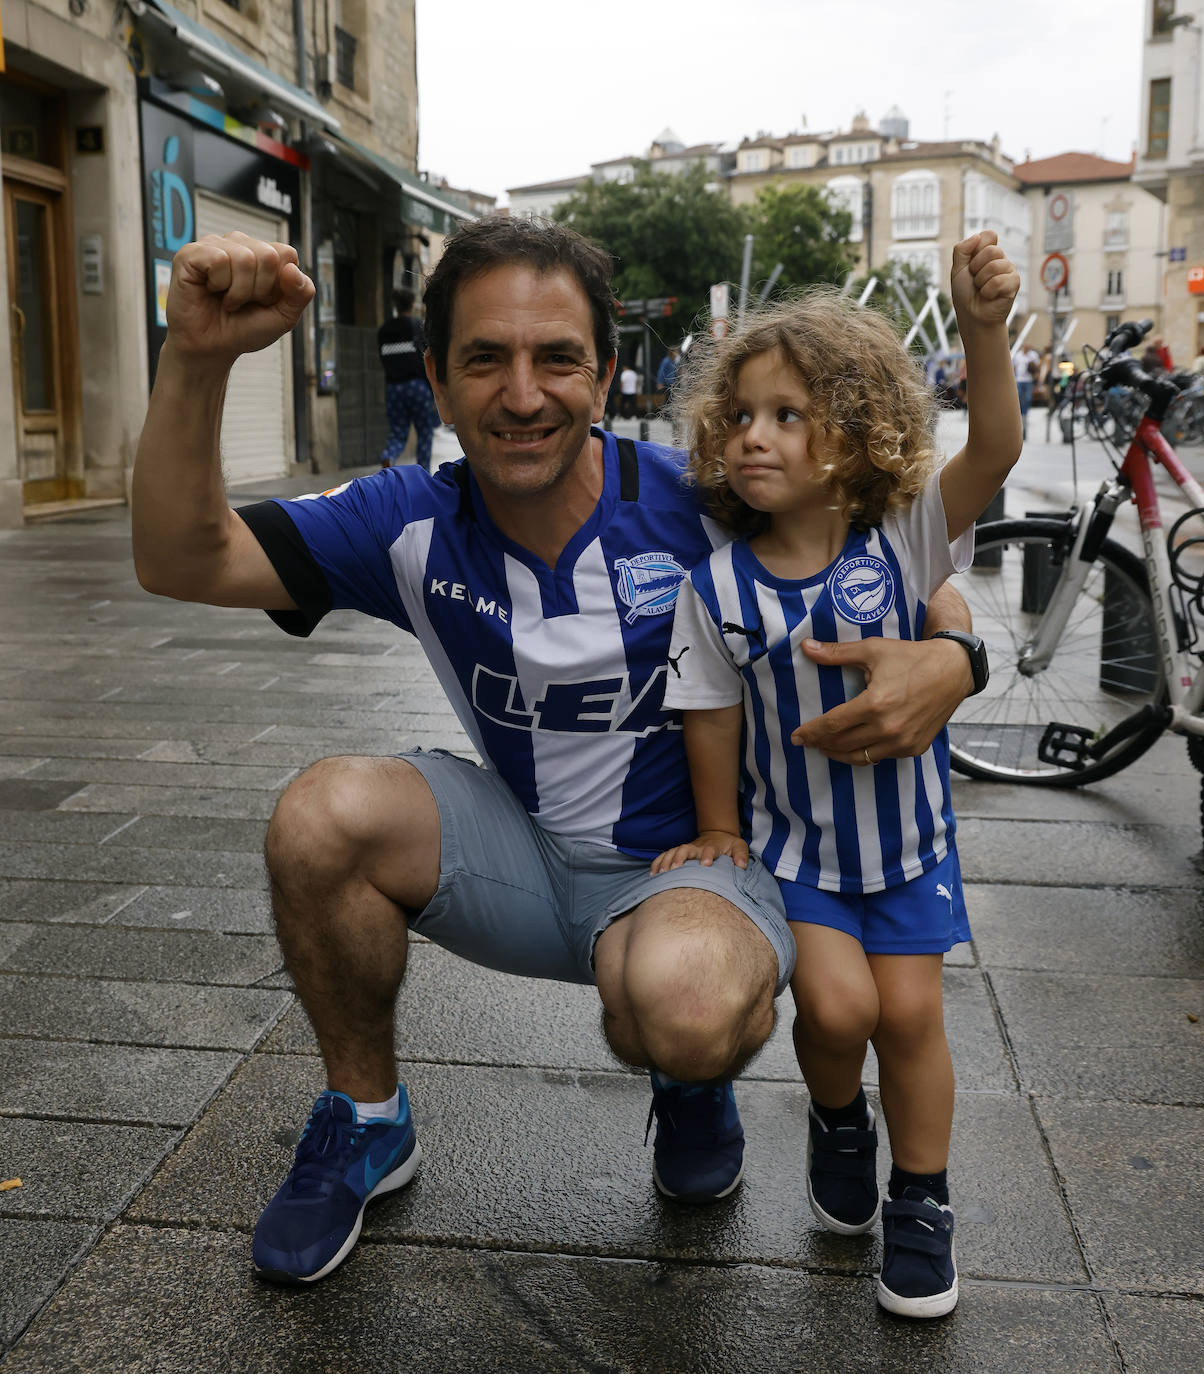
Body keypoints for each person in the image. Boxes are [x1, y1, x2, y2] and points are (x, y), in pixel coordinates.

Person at [131, 218, 978, 1287]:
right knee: (319, 815)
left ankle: (689, 1078)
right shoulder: (407, 517)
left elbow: (893, 549)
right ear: (437, 381)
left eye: (558, 358)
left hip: (692, 872)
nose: (523, 394)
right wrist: (195, 358)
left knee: (685, 1006)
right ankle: (367, 1119)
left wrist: (955, 655)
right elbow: (181, 559)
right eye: (486, 358)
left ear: (604, 375)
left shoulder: (705, 498)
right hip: (523, 856)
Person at [650, 231, 1020, 1319]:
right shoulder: (716, 588)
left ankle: (922, 1197)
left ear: (853, 435)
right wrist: (720, 831)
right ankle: (838, 1118)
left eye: (786, 414)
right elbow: (709, 716)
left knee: (907, 1018)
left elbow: (995, 448)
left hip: (908, 850)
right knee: (839, 1004)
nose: (752, 436)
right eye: (739, 416)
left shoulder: (901, 542)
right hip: (799, 856)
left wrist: (983, 332)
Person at [377, 286, 437, 471]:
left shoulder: (384, 330)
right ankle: (423, 472)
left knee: (397, 432)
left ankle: (389, 456)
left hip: (394, 387)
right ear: (412, 304)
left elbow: (383, 360)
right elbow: (426, 358)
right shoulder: (417, 326)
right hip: (417, 386)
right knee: (425, 433)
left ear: (395, 305)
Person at [1012, 338, 1038, 439]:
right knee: (1018, 399)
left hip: (1028, 381)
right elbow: (1014, 367)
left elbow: (1037, 367)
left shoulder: (1033, 355)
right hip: (1019, 380)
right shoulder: (1018, 355)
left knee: (1027, 399)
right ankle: (1020, 416)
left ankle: (1025, 414)